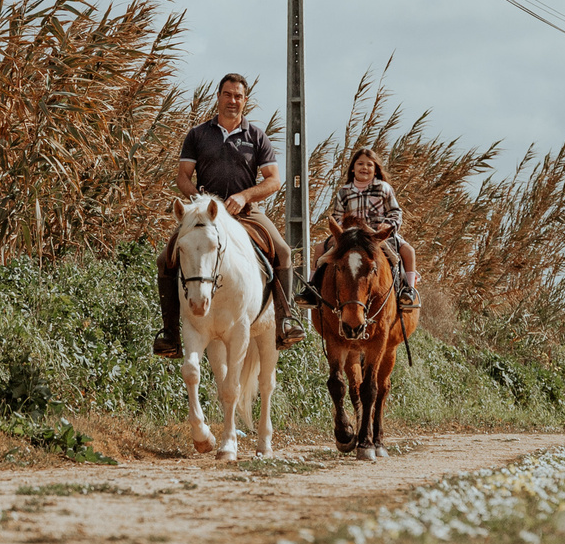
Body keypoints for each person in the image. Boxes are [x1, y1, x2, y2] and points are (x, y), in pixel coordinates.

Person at [156, 73, 302, 357]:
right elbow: (182, 177)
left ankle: (285, 320)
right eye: (227, 94)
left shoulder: (257, 136)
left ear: (245, 100)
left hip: (246, 213)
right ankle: (170, 333)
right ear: (219, 96)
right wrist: (198, 200)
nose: (232, 100)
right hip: (206, 216)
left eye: (238, 96)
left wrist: (245, 196)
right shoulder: (198, 134)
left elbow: (274, 180)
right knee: (165, 257)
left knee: (283, 251)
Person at [300, 146, 419, 311]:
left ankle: (408, 291)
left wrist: (389, 224)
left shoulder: (384, 188)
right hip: (350, 236)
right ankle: (311, 289)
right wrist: (338, 230)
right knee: (320, 248)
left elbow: (395, 212)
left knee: (408, 252)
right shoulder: (344, 192)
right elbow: (337, 215)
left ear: (376, 169)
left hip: (375, 235)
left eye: (369, 165)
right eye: (360, 164)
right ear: (353, 168)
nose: (365, 168)